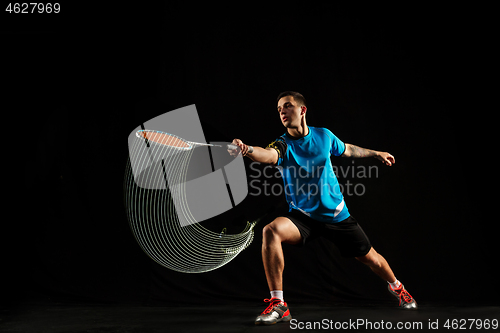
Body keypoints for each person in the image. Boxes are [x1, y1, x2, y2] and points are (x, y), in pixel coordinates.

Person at [231, 91, 417, 326]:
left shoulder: (324, 136)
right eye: (279, 109)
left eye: (287, 106)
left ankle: (398, 288)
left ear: (302, 110)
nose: (283, 112)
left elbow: (347, 149)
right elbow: (268, 155)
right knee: (271, 231)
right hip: (304, 217)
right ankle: (279, 304)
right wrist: (247, 150)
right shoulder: (282, 145)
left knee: (372, 259)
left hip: (337, 216)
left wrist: (375, 153)